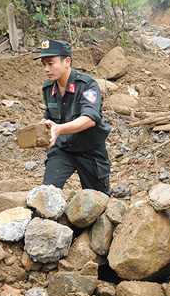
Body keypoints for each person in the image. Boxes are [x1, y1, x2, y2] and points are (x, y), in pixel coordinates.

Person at [35, 39, 112, 195]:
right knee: (47, 194)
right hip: (62, 150)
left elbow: (90, 119)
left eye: (50, 63)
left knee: (99, 200)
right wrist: (32, 134)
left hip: (90, 150)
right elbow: (49, 116)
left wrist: (59, 129)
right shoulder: (48, 87)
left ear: (67, 61)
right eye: (43, 65)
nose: (46, 69)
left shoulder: (87, 85)